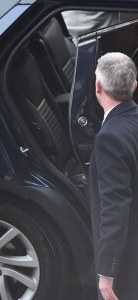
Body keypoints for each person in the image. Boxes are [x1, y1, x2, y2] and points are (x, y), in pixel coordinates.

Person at [89, 52, 138, 300]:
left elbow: (115, 209)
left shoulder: (110, 138)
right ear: (134, 86)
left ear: (98, 86)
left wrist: (106, 273)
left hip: (128, 263)